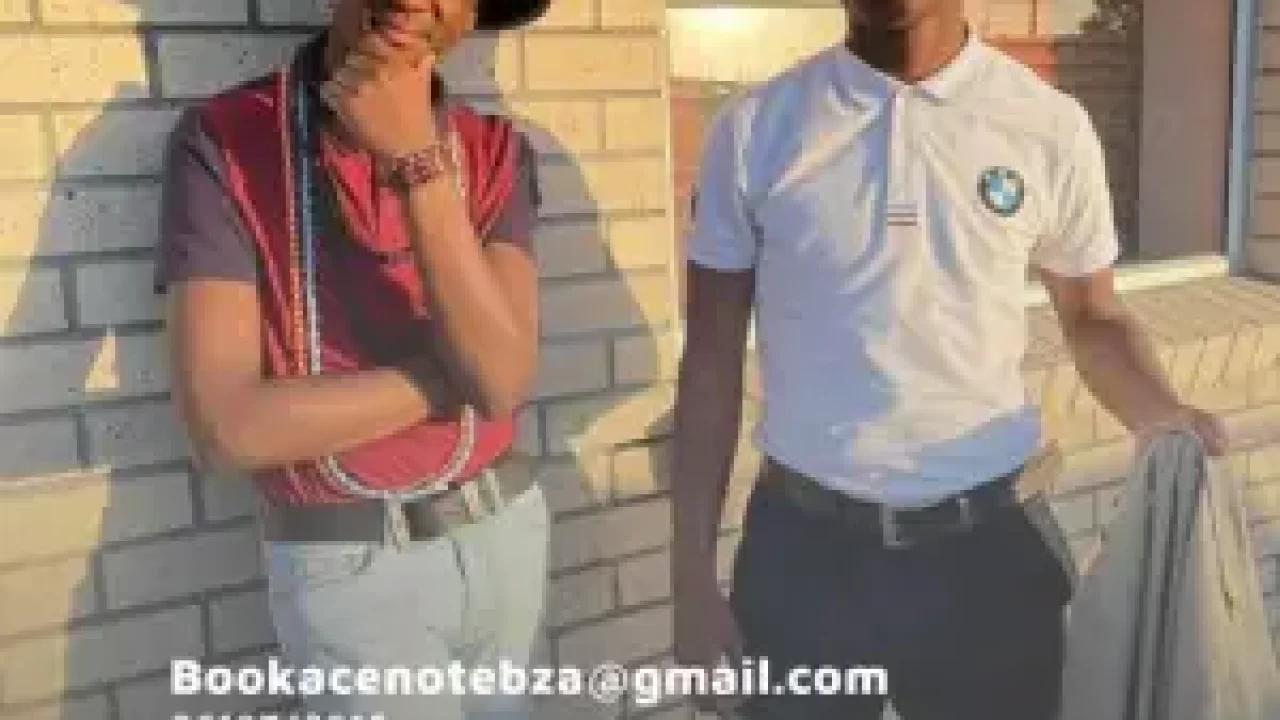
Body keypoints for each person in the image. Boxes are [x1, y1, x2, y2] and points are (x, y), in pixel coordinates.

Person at [670, 1, 1230, 719]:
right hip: (806, 562)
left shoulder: (1046, 124)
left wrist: (1163, 413)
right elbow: (710, 360)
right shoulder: (757, 128)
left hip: (987, 560)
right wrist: (690, 580)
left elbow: (1093, 316)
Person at [157, 1, 551, 717]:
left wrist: (414, 160)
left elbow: (502, 382)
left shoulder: (492, 147)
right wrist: (460, 368)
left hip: (504, 532)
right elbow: (227, 428)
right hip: (351, 567)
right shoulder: (228, 140)